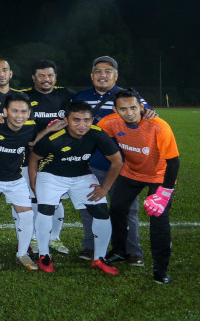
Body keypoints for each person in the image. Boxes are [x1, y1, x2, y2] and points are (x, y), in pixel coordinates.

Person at [71, 56, 154, 263]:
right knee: (90, 207)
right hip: (91, 164)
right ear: (92, 75)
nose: (103, 75)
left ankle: (132, 251)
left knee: (128, 209)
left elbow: (147, 117)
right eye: (98, 71)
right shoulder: (80, 97)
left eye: (108, 71)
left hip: (124, 165)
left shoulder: (128, 97)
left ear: (116, 76)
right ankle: (90, 247)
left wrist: (151, 113)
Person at [27, 101, 123, 274]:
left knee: (102, 211)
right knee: (45, 209)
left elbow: (117, 161)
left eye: (86, 120)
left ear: (92, 120)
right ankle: (44, 255)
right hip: (52, 176)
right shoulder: (54, 138)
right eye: (76, 120)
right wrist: (34, 183)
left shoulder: (97, 133)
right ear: (66, 120)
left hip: (81, 176)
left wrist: (104, 188)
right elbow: (33, 158)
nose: (82, 125)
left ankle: (99, 258)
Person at [98, 91, 180, 284]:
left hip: (159, 176)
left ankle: (160, 268)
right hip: (131, 173)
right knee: (117, 209)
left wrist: (164, 193)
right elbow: (90, 134)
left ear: (142, 107)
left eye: (133, 107)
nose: (129, 113)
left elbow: (173, 162)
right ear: (115, 109)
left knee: (158, 219)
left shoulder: (159, 126)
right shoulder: (109, 123)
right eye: (123, 109)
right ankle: (119, 251)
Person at [0, 93, 39, 271]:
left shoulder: (31, 127)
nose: (19, 116)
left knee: (27, 215)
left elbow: (33, 142)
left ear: (29, 113)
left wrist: (50, 130)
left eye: (23, 112)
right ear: (5, 112)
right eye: (14, 111)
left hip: (15, 178)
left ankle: (22, 254)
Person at [22, 60, 74, 255]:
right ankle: (34, 238)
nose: (46, 79)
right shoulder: (24, 97)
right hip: (30, 156)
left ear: (55, 77)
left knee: (56, 200)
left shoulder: (65, 95)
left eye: (50, 75)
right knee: (34, 198)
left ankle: (54, 238)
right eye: (41, 75)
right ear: (34, 77)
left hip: (57, 158)